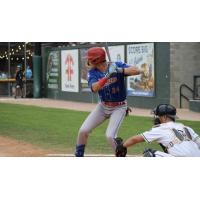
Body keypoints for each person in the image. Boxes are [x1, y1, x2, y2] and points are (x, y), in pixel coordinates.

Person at [75, 47, 147, 157]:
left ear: (96, 60)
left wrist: (119, 70)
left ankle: (120, 155)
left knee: (110, 136)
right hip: (103, 107)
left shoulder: (116, 65)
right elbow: (94, 88)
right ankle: (78, 155)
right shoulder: (93, 73)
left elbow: (137, 70)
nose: (88, 61)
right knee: (83, 130)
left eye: (90, 59)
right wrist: (107, 76)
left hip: (119, 107)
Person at [115, 104, 200, 157]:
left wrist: (122, 146)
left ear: (165, 117)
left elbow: (135, 139)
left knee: (150, 154)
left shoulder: (161, 129)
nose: (156, 118)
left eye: (158, 116)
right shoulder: (186, 128)